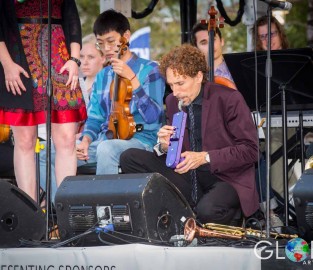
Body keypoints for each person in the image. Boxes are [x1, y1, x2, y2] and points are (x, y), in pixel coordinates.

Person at [120, 44, 259, 225]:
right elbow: (174, 152)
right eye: (171, 85)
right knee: (129, 157)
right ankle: (175, 212)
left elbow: (251, 151)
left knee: (207, 210)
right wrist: (163, 146)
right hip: (188, 175)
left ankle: (208, 215)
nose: (175, 92)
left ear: (199, 76)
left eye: (180, 83)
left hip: (225, 178)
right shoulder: (172, 101)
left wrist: (205, 157)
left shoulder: (229, 99)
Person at [0, 0, 87, 201]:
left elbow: (72, 17)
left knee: (66, 138)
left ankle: (67, 209)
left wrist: (74, 60)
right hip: (17, 55)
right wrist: (7, 64)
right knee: (24, 140)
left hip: (58, 54)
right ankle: (32, 213)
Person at [76, 9, 165, 175]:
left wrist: (132, 78)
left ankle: (105, 201)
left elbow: (154, 118)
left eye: (111, 41)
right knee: (50, 153)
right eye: (100, 43)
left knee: (106, 149)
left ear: (126, 37)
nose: (106, 48)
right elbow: (95, 117)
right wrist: (85, 140)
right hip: (105, 141)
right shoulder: (103, 75)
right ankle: (61, 201)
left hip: (141, 141)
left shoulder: (150, 70)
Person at [39, 33, 106, 202]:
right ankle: (59, 204)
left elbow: (102, 123)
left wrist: (80, 140)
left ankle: (63, 206)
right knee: (39, 150)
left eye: (91, 57)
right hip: (78, 141)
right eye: (81, 56)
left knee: (48, 153)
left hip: (96, 143)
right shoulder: (77, 84)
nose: (84, 61)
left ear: (103, 58)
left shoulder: (108, 82)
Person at [251, 15, 289, 229]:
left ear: (280, 34)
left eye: (271, 34)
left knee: (276, 146)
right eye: (262, 37)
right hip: (263, 122)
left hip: (289, 121)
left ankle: (281, 211)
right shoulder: (254, 66)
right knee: (251, 151)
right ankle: (270, 212)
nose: (267, 40)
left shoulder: (296, 60)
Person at [191, 23, 235, 87]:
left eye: (213, 40)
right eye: (204, 43)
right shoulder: (193, 75)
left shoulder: (237, 70)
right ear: (196, 49)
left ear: (222, 41)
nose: (210, 46)